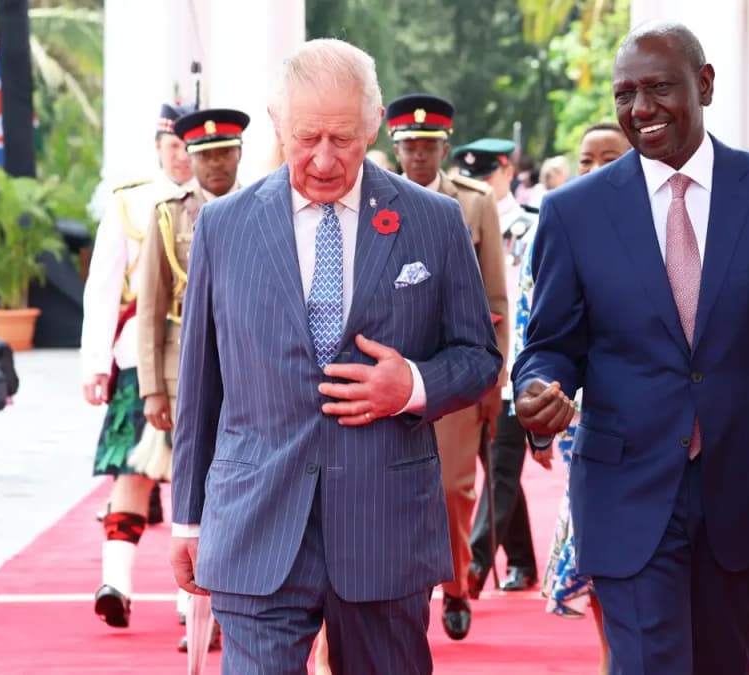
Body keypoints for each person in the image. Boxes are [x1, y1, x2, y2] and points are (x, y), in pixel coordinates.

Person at [513, 22, 749, 675]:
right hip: (626, 485)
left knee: (731, 661)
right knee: (647, 662)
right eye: (625, 94)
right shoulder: (574, 213)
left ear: (704, 84)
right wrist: (535, 386)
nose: (639, 109)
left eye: (657, 88)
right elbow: (552, 345)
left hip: (747, 487)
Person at [168, 38, 501, 675]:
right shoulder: (225, 226)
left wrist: (410, 387)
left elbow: (478, 356)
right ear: (277, 124)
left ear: (375, 124)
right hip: (255, 524)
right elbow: (200, 386)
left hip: (385, 530)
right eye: (306, 137)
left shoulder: (434, 221)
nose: (323, 160)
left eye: (343, 139)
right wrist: (187, 517)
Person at [387, 94, 508, 640]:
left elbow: (496, 302)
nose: (419, 155)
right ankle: (402, 590)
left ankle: (457, 584)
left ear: (445, 147)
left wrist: (492, 382)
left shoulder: (474, 202)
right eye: (409, 145)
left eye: (428, 145)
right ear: (396, 147)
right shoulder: (372, 199)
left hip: (454, 371)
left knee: (455, 489)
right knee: (389, 489)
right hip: (391, 369)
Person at [515, 121, 631, 675]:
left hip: (660, 431)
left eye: (610, 158)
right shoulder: (562, 224)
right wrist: (536, 417)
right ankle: (613, 658)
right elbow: (536, 330)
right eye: (586, 161)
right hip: (585, 430)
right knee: (605, 561)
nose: (595, 171)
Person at [137, 106, 249, 653]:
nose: (216, 164)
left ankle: (232, 597)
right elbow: (151, 307)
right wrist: (152, 386)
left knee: (240, 479)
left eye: (225, 153)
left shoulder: (262, 209)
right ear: (191, 160)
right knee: (193, 478)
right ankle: (192, 604)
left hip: (250, 363)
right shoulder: (168, 216)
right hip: (186, 364)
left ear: (239, 155)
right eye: (205, 156)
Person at [86, 101, 194, 630]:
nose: (182, 157)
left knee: (198, 482)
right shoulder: (131, 205)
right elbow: (102, 291)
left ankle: (189, 596)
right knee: (132, 471)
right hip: (138, 359)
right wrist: (94, 364)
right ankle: (115, 583)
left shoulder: (221, 203)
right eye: (173, 146)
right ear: (158, 147)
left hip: (203, 361)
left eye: (189, 147)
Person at [451, 137, 541, 595]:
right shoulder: (455, 215)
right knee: (492, 465)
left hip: (516, 364)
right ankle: (523, 560)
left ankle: (473, 561)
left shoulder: (534, 226)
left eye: (488, 173)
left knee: (502, 465)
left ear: (506, 169)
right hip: (470, 363)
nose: (481, 183)